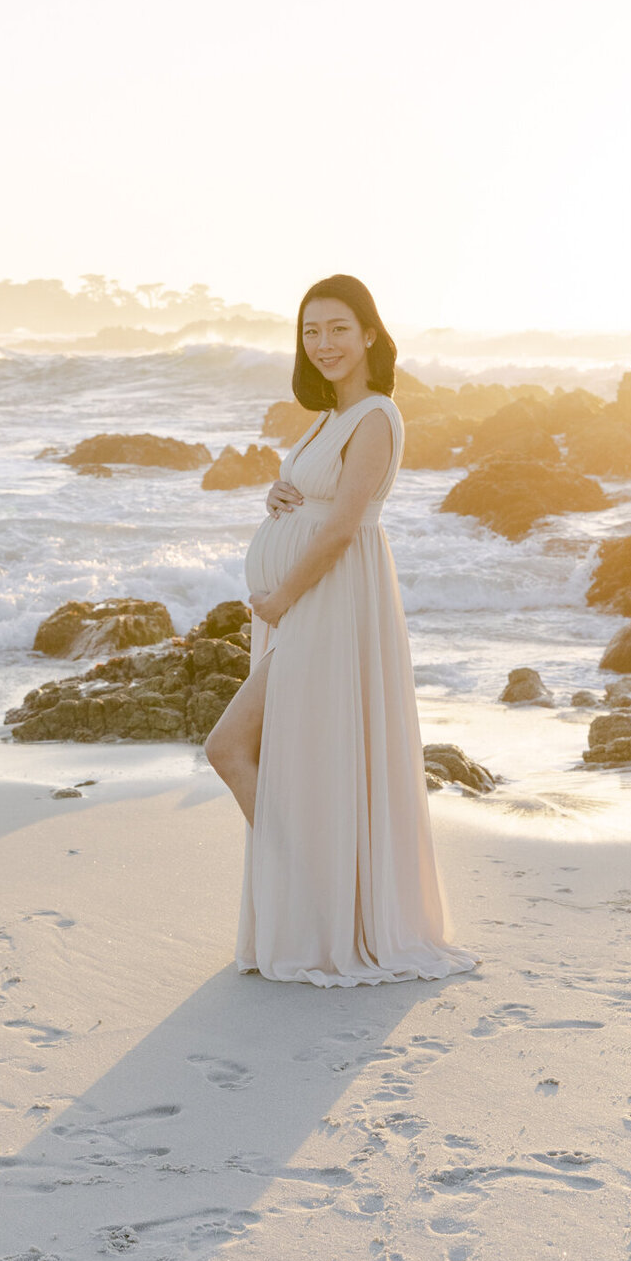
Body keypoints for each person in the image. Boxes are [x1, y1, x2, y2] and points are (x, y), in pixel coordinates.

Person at [205, 273, 478, 987]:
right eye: (310, 331)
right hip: (304, 606)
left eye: (335, 329)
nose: (322, 344)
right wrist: (277, 495)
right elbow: (311, 503)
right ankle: (316, 907)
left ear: (368, 335)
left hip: (326, 605)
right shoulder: (328, 417)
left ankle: (315, 906)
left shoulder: (377, 416)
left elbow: (345, 526)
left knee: (229, 747)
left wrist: (281, 596)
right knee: (301, 759)